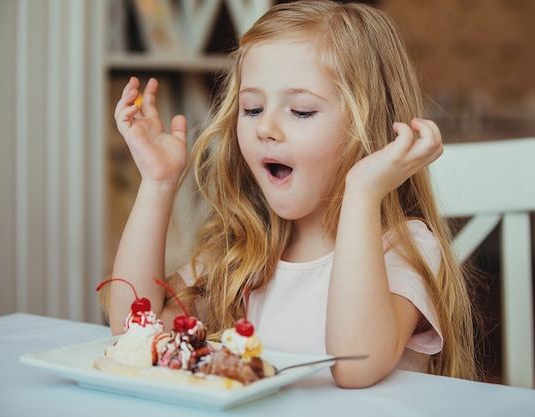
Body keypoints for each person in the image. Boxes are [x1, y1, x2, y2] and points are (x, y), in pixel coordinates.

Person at [105, 0, 479, 388]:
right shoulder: (243, 248)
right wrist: (158, 181)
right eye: (251, 108)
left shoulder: (404, 247)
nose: (265, 127)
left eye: (301, 111)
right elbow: (133, 332)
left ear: (370, 129)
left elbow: (355, 368)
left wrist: (362, 194)